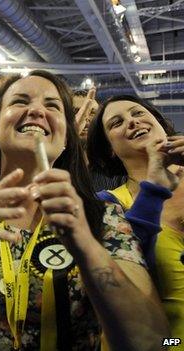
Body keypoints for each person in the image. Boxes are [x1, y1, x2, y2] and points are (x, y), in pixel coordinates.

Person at [0, 70, 168, 350]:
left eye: (52, 106)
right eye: (20, 102)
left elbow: (154, 342)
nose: (37, 110)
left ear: (65, 137)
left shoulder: (104, 216)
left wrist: (87, 247)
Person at [86, 94, 184, 343]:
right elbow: (125, 273)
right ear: (109, 149)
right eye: (116, 123)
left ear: (159, 122)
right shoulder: (106, 203)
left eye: (138, 113)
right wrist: (153, 189)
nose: (132, 121)